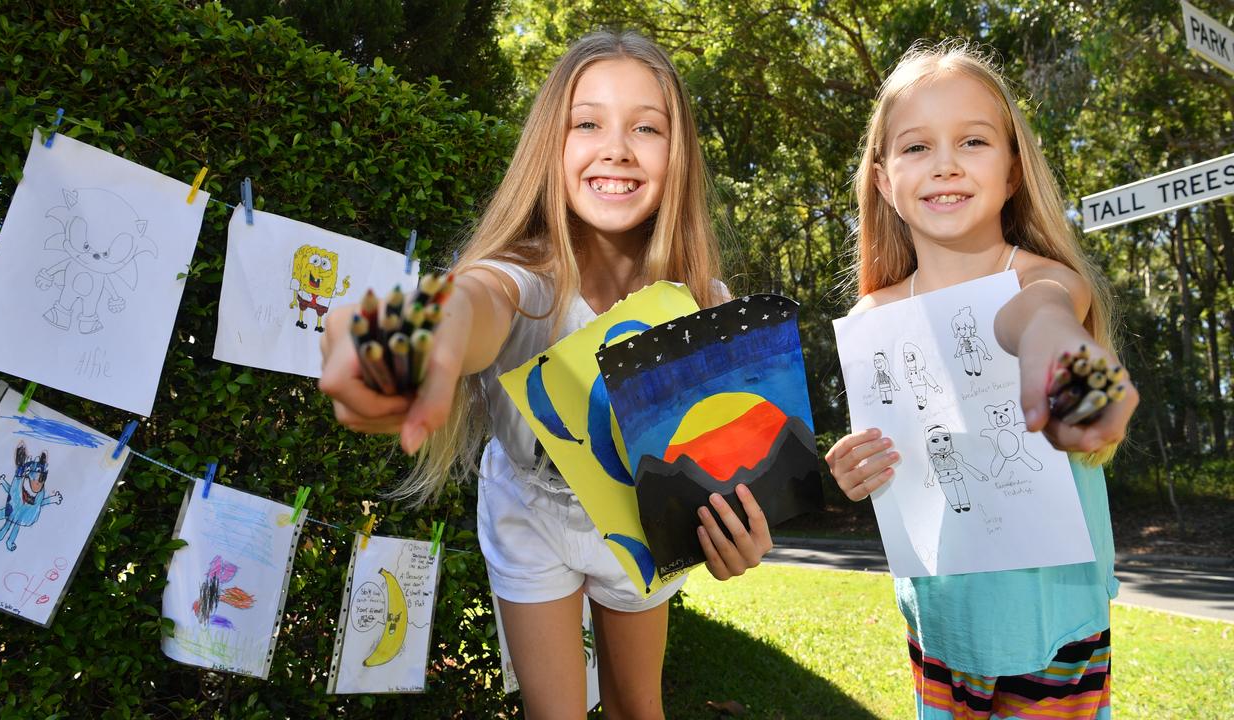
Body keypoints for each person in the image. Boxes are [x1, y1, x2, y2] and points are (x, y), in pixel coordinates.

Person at [319, 30, 773, 719]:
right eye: (586, 122)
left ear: (677, 154)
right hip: (527, 510)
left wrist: (738, 526)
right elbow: (469, 303)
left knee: (636, 709)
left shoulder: (705, 305)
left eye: (645, 127)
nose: (616, 147)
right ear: (548, 148)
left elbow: (729, 454)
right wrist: (414, 341)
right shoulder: (524, 280)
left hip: (639, 518)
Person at [824, 41, 1138, 719]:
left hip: (1054, 630)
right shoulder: (872, 319)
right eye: (916, 147)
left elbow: (1041, 315)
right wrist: (857, 470)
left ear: (1013, 171)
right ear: (882, 180)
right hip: (938, 631)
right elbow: (889, 465)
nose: (945, 164)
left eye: (972, 141)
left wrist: (1068, 358)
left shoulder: (1041, 279)